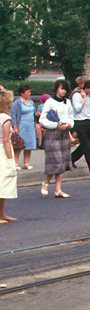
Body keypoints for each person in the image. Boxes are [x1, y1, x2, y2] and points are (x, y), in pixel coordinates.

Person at [39, 79, 74, 198]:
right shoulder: (49, 102)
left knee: (63, 161)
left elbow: (71, 116)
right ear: (56, 89)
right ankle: (46, 182)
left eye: (65, 89)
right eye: (61, 88)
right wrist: (55, 125)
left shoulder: (67, 102)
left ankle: (58, 189)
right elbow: (42, 119)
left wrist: (69, 124)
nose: (63, 91)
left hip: (64, 133)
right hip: (52, 134)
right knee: (56, 160)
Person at [69, 79, 90, 178]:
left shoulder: (88, 96)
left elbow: (87, 109)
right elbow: (77, 109)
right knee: (87, 148)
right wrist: (83, 99)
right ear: (86, 88)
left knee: (84, 147)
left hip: (87, 122)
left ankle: (69, 159)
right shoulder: (77, 95)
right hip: (80, 123)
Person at [0, 86, 18, 223]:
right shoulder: (5, 119)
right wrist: (10, 159)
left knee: (3, 185)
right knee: (3, 182)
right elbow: (6, 140)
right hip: (2, 151)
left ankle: (2, 213)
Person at [11, 84, 37, 169]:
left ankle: (26, 163)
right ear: (22, 93)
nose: (29, 93)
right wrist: (15, 127)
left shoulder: (31, 102)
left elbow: (33, 113)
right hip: (22, 125)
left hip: (30, 125)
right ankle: (15, 163)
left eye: (29, 92)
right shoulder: (17, 103)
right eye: (27, 92)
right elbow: (14, 115)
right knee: (19, 144)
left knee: (29, 144)